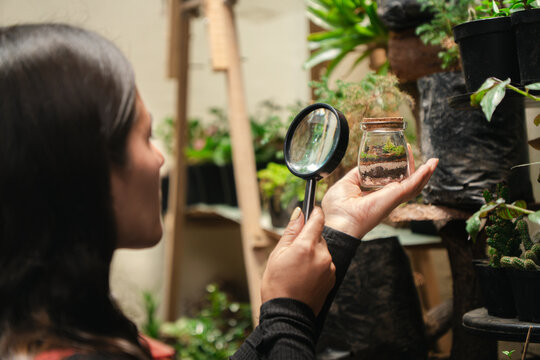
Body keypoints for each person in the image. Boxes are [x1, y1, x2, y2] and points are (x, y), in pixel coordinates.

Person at [0, 23, 438, 359]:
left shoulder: (50, 329)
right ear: (81, 169)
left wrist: (337, 230)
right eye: (145, 136)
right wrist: (286, 311)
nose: (161, 159)